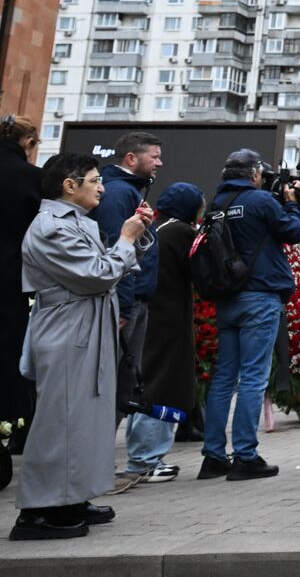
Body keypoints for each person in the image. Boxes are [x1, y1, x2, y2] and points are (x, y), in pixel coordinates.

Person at [11, 153, 153, 540]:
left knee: (86, 418)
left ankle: (71, 497)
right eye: (94, 180)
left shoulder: (74, 221)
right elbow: (97, 274)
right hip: (67, 329)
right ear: (69, 185)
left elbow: (110, 266)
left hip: (84, 325)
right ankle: (38, 511)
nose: (102, 188)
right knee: (60, 420)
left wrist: (134, 238)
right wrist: (126, 239)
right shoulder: (51, 226)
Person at [197, 149, 300, 482]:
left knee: (224, 377)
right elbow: (291, 232)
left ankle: (214, 456)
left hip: (228, 297)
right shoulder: (260, 201)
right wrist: (291, 203)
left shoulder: (217, 204)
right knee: (254, 377)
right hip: (260, 296)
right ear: (255, 174)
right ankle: (245, 456)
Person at [89, 133, 162, 478]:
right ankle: (95, 464)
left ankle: (99, 462)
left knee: (123, 382)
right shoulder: (119, 193)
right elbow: (115, 249)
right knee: (113, 383)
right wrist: (123, 305)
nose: (160, 163)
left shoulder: (128, 190)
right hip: (123, 303)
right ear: (131, 159)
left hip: (131, 300)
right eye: (154, 156)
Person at [120, 183, 203, 485]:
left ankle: (142, 456)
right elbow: (200, 271)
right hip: (169, 321)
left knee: (144, 386)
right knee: (163, 387)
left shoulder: (156, 228)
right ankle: (146, 459)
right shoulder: (180, 232)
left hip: (151, 316)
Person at [0, 115, 42, 456]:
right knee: (9, 361)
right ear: (28, 143)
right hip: (10, 284)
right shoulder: (30, 178)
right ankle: (13, 433)